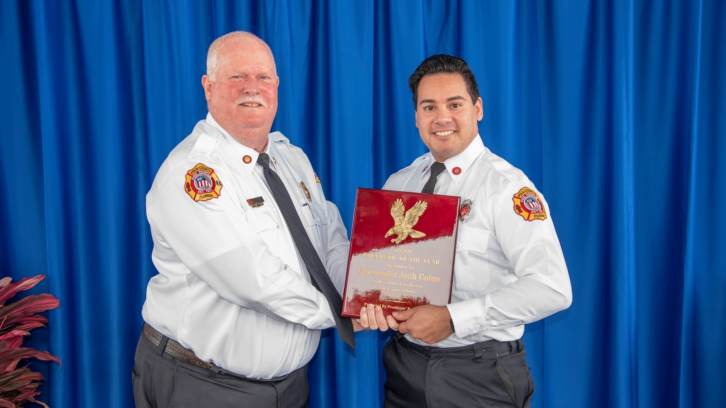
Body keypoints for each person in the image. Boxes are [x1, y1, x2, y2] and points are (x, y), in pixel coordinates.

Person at [133, 31, 354, 408]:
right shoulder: (193, 174)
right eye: (237, 77)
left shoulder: (292, 159)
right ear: (208, 86)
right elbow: (252, 280)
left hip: (290, 387)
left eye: (263, 77)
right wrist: (342, 314)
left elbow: (330, 244)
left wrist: (362, 291)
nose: (253, 88)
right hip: (203, 385)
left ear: (277, 86)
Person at [359, 54, 573, 408]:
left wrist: (454, 319)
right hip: (404, 368)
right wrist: (374, 304)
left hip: (479, 375)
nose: (441, 117)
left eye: (454, 104)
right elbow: (387, 279)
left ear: (478, 108)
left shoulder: (506, 188)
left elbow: (552, 288)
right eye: (428, 107)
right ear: (416, 118)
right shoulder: (400, 183)